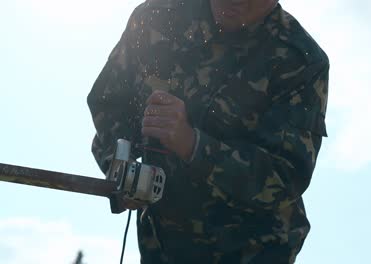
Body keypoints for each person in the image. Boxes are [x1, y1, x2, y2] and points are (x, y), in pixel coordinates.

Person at [87, 0, 329, 263]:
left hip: (252, 252)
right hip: (161, 248)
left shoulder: (299, 60)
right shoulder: (158, 16)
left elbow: (284, 176)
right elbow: (108, 103)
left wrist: (192, 144)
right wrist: (122, 168)